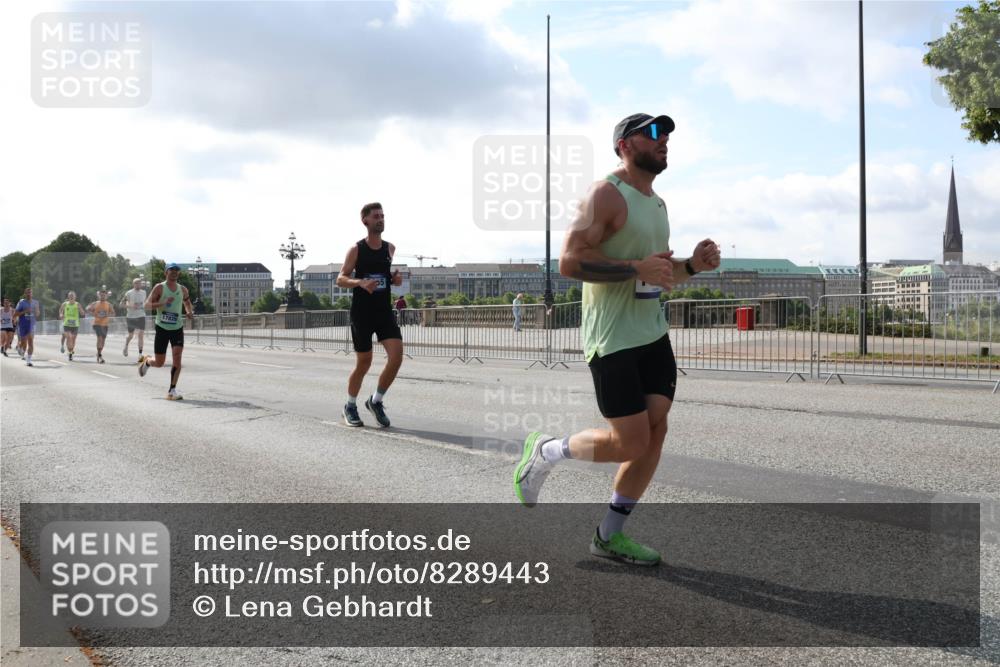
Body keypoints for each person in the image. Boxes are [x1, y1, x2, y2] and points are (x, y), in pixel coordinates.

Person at [514, 113, 721, 566]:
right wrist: (633, 268)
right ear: (625, 145)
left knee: (655, 430)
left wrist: (693, 266)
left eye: (665, 133)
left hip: (652, 334)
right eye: (652, 133)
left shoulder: (659, 204)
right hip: (614, 340)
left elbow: (658, 275)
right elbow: (568, 263)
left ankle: (609, 534)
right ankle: (547, 450)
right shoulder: (605, 194)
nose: (663, 139)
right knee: (630, 443)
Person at [336, 202, 403, 428]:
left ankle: (376, 401)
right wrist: (360, 282)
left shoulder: (390, 249)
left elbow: (386, 276)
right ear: (365, 221)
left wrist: (394, 279)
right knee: (364, 362)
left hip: (383, 311)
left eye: (383, 215)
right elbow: (340, 278)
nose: (381, 219)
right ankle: (350, 405)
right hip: (362, 313)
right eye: (376, 216)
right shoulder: (356, 249)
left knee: (396, 358)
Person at [138, 263, 194, 400]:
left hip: (177, 328)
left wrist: (189, 311)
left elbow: (187, 303)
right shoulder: (159, 287)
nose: (174, 272)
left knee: (177, 357)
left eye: (177, 270)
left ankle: (172, 390)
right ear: (166, 273)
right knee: (159, 362)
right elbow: (146, 305)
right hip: (162, 328)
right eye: (171, 270)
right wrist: (162, 304)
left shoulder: (183, 289)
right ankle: (147, 362)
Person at [86, 290, 115, 364]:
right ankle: (99, 355)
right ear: (99, 296)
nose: (102, 296)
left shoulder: (109, 304)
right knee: (99, 338)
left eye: (104, 295)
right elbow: (87, 309)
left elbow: (113, 313)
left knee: (103, 341)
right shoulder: (95, 303)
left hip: (105, 324)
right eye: (101, 295)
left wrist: (108, 315)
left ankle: (99, 353)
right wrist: (94, 314)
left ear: (106, 296)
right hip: (97, 324)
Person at [13, 288, 40, 366]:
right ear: (25, 294)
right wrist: (24, 311)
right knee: (23, 342)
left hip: (31, 325)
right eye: (27, 293)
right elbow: (15, 314)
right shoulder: (21, 302)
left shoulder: (36, 302)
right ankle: (19, 347)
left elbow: (38, 314)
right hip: (22, 325)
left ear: (32, 294)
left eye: (30, 293)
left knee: (30, 342)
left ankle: (29, 360)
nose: (29, 294)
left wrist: (35, 311)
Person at [121, 278, 147, 357]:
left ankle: (140, 354)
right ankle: (126, 345)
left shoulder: (144, 292)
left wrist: (144, 305)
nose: (138, 284)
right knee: (131, 335)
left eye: (139, 283)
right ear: (133, 284)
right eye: (136, 283)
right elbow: (121, 304)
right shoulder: (128, 293)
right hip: (131, 317)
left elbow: (144, 302)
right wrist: (131, 305)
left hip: (141, 315)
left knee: (141, 335)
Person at [59, 291, 83, 361]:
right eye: (70, 296)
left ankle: (71, 351)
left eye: (73, 296)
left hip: (75, 325)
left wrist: (81, 311)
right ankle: (70, 353)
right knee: (69, 337)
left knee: (73, 339)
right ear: (68, 297)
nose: (72, 297)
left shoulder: (77, 304)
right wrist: (61, 314)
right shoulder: (64, 304)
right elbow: (60, 310)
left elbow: (82, 312)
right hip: (66, 324)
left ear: (75, 297)